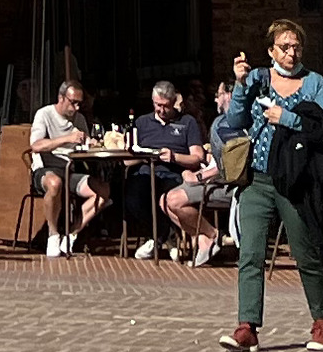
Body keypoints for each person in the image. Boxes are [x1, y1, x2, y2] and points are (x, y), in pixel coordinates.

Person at [216, 17, 323, 352]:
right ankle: (247, 326)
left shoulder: (313, 83)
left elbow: (321, 128)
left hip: (296, 179)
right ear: (270, 51)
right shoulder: (257, 79)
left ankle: (322, 321)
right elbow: (235, 121)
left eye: (296, 46)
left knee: (305, 252)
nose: (291, 52)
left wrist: (287, 118)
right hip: (257, 178)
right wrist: (240, 85)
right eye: (284, 47)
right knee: (250, 253)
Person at [132, 80, 220, 264]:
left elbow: (197, 156)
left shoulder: (187, 122)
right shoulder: (142, 122)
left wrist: (174, 157)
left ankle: (163, 238)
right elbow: (127, 158)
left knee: (168, 198)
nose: (161, 110)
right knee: (133, 198)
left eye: (166, 106)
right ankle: (162, 236)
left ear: (174, 103)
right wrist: (141, 155)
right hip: (147, 169)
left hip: (175, 172)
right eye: (157, 105)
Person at [31, 77, 114, 259]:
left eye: (79, 103)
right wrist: (66, 139)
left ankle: (72, 234)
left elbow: (82, 147)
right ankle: (53, 235)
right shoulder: (44, 114)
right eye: (73, 103)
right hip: (46, 170)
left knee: (103, 191)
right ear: (61, 98)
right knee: (55, 184)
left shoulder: (80, 119)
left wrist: (92, 144)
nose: (76, 108)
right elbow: (36, 145)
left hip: (70, 170)